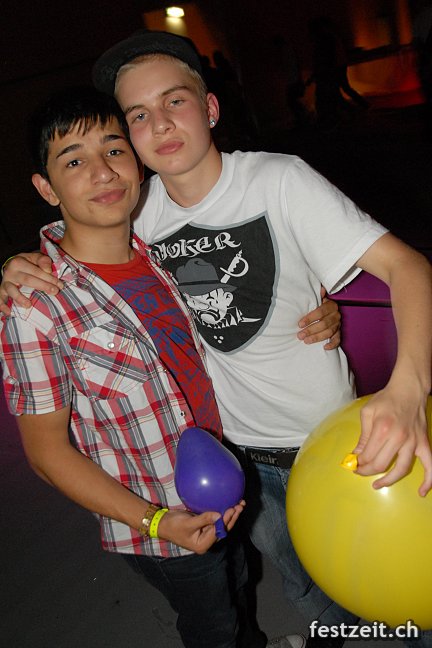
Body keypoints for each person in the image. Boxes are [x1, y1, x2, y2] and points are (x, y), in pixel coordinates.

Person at [2, 30, 432, 645]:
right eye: (137, 116)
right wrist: (14, 267)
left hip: (333, 446)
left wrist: (406, 389)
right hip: (239, 464)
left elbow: (408, 268)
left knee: (398, 597)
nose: (160, 124)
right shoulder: (136, 212)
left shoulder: (278, 180)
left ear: (209, 108)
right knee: (305, 590)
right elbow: (80, 243)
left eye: (174, 101)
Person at [0, 85, 268, 648]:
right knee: (213, 626)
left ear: (138, 165)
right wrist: (155, 520)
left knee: (241, 581)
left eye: (114, 149)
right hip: (162, 520)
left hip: (226, 474)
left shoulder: (158, 252)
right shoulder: (36, 306)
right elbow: (46, 453)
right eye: (74, 161)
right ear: (46, 188)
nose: (103, 171)